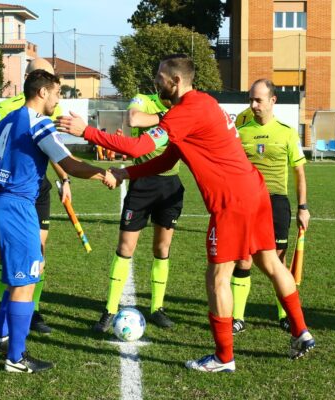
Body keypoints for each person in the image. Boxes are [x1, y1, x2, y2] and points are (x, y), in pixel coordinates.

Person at [109, 54, 315, 372]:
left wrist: (86, 131)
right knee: (270, 261)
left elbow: (137, 148)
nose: (156, 80)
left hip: (232, 203)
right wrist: (127, 174)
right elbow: (164, 160)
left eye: (160, 76)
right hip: (256, 193)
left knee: (218, 277)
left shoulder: (187, 110)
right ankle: (301, 331)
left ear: (175, 81)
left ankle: (223, 357)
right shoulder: (202, 105)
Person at [0, 69, 114, 373]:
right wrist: (104, 173)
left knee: (17, 276)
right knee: (27, 280)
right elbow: (69, 164)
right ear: (42, 93)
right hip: (18, 207)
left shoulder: (6, 120)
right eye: (56, 93)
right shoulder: (38, 124)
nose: (58, 99)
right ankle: (16, 357)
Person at [56, 92, 185, 331]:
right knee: (125, 248)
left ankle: (158, 308)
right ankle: (110, 310)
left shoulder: (185, 107)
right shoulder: (143, 100)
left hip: (170, 185)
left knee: (162, 248)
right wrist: (166, 116)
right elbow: (133, 118)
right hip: (142, 183)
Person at [0, 58, 71, 335]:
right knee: (5, 250)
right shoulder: (5, 110)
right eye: (49, 78)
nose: (54, 87)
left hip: (38, 187)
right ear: (36, 82)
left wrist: (64, 179)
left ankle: (32, 309)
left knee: (38, 250)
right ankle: (7, 307)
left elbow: (53, 148)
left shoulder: (52, 107)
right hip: (9, 191)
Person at [231, 79, 310, 335]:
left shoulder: (287, 132)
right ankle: (237, 317)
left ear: (272, 100)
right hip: (246, 202)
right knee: (243, 259)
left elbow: (299, 172)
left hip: (276, 202)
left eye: (258, 100)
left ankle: (283, 314)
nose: (253, 105)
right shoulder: (241, 133)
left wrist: (303, 207)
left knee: (278, 259)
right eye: (251, 100)